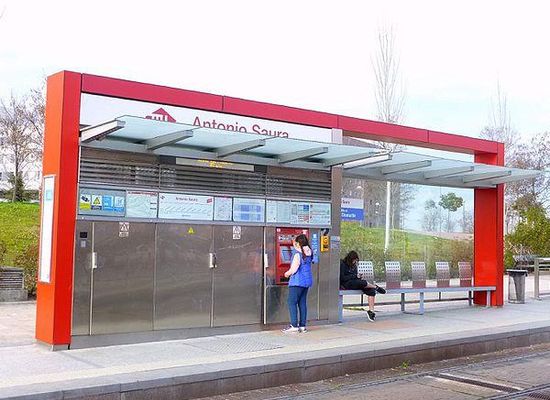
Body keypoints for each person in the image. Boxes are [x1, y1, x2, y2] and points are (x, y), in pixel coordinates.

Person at [340, 250, 386, 322]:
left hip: (354, 283)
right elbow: (342, 278)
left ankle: (371, 311)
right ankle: (375, 287)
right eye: (354, 260)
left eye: (356, 260)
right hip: (345, 284)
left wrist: (358, 276)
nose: (355, 262)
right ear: (350, 259)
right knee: (364, 283)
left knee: (371, 291)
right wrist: (355, 276)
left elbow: (355, 276)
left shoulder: (354, 266)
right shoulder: (343, 264)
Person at [282, 234, 313, 333]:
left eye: (296, 242)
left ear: (299, 243)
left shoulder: (297, 254)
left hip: (297, 282)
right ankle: (302, 326)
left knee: (291, 302)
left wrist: (286, 274)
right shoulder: (309, 252)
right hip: (306, 282)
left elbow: (294, 269)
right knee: (302, 303)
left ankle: (294, 325)